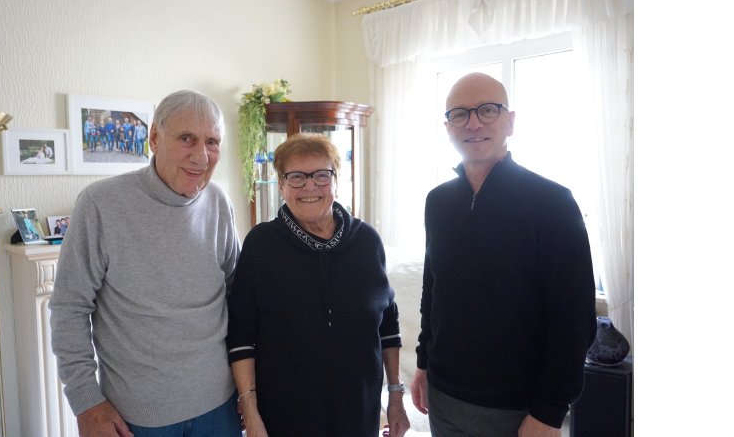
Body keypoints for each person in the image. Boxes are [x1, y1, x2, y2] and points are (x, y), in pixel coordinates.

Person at [410, 72, 597, 437]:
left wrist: (549, 412)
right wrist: (423, 363)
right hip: (443, 399)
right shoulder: (439, 201)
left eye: (488, 110)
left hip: (516, 409)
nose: (474, 122)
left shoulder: (552, 202)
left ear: (510, 121)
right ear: (447, 126)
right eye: (460, 114)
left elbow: (574, 318)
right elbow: (434, 291)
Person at [50, 89, 242, 436]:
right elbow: (69, 308)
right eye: (187, 138)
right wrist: (86, 402)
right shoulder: (100, 204)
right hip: (137, 417)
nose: (201, 156)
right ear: (154, 137)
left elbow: (237, 297)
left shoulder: (218, 203)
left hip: (221, 407)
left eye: (212, 142)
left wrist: (248, 391)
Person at [226, 133, 410, 437]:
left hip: (358, 413)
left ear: (336, 180)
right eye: (296, 176)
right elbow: (241, 336)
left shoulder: (367, 241)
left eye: (322, 175)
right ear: (282, 184)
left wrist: (395, 396)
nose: (310, 186)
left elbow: (388, 325)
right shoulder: (261, 246)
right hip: (285, 416)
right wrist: (250, 412)